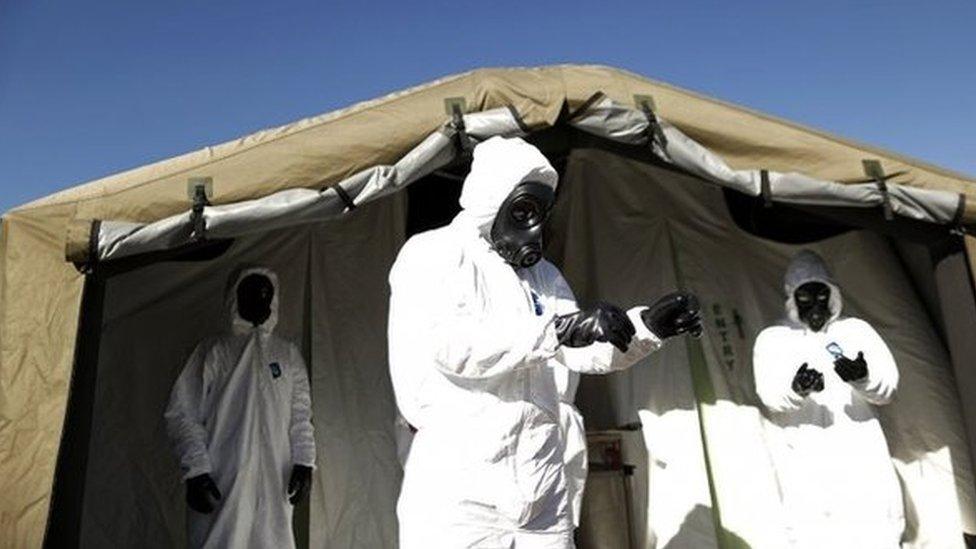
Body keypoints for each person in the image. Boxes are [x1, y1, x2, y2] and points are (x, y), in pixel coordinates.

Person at [388, 136, 702, 548]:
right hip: (460, 486)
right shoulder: (434, 254)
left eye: (542, 213)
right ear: (490, 201)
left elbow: (581, 353)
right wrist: (555, 330)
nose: (536, 227)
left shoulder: (546, 278)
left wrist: (645, 327)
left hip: (541, 482)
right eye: (523, 211)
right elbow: (452, 347)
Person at [753, 250, 904, 548]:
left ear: (832, 294)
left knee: (875, 528)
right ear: (792, 299)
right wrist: (796, 389)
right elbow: (769, 394)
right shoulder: (773, 339)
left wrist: (863, 378)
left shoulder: (856, 331)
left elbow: (889, 389)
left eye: (821, 295)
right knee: (815, 532)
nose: (815, 305)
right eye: (805, 297)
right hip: (806, 457)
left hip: (860, 452)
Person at [164, 267, 316, 549]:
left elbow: (300, 416)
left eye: (266, 294)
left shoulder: (287, 354)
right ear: (235, 297)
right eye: (251, 293)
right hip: (224, 476)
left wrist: (304, 462)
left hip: (275, 477)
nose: (261, 300)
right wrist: (196, 469)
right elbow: (182, 413)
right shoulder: (214, 351)